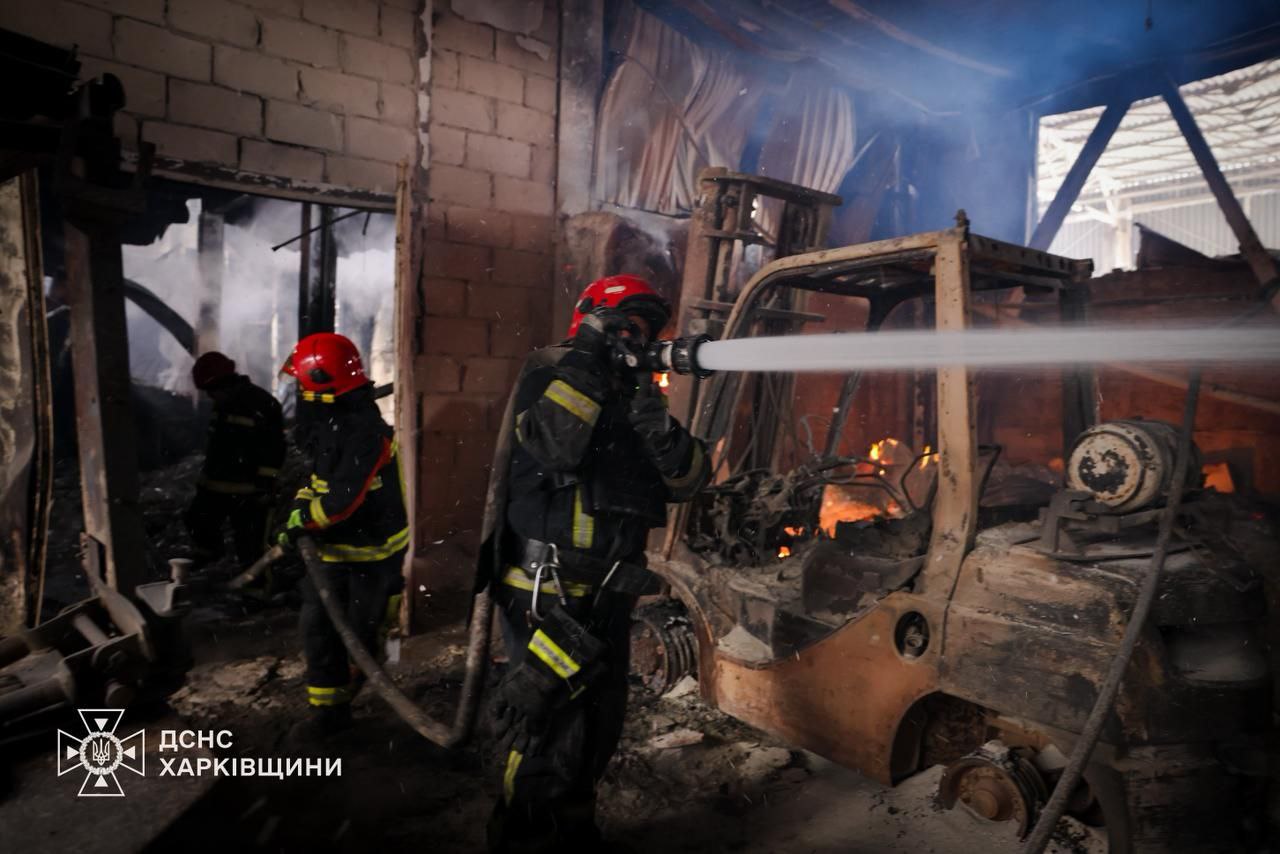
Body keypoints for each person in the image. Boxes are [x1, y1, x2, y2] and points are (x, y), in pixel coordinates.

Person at [478, 274, 710, 851]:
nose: (637, 340)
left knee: (595, 732)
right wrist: (588, 356)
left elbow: (688, 481)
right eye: (625, 326)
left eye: (645, 331)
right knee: (546, 730)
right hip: (549, 595)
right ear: (593, 322)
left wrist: (657, 426)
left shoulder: (636, 402)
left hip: (608, 598)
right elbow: (555, 446)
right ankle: (525, 839)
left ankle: (571, 833)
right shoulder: (551, 376)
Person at [275, 332, 408, 737]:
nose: (297, 389)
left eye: (301, 382)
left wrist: (302, 521)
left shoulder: (365, 432)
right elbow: (319, 481)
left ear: (320, 381)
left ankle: (359, 682)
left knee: (359, 633)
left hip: (371, 553)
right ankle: (329, 714)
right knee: (318, 629)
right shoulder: (331, 421)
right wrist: (299, 511)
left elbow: (341, 501)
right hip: (332, 549)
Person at [185, 351, 285, 568]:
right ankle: (209, 568)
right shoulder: (223, 403)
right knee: (197, 523)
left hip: (249, 492)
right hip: (215, 487)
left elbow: (274, 449)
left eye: (212, 391)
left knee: (251, 547)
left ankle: (256, 587)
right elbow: (218, 447)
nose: (210, 396)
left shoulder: (262, 404)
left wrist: (265, 486)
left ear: (225, 383)